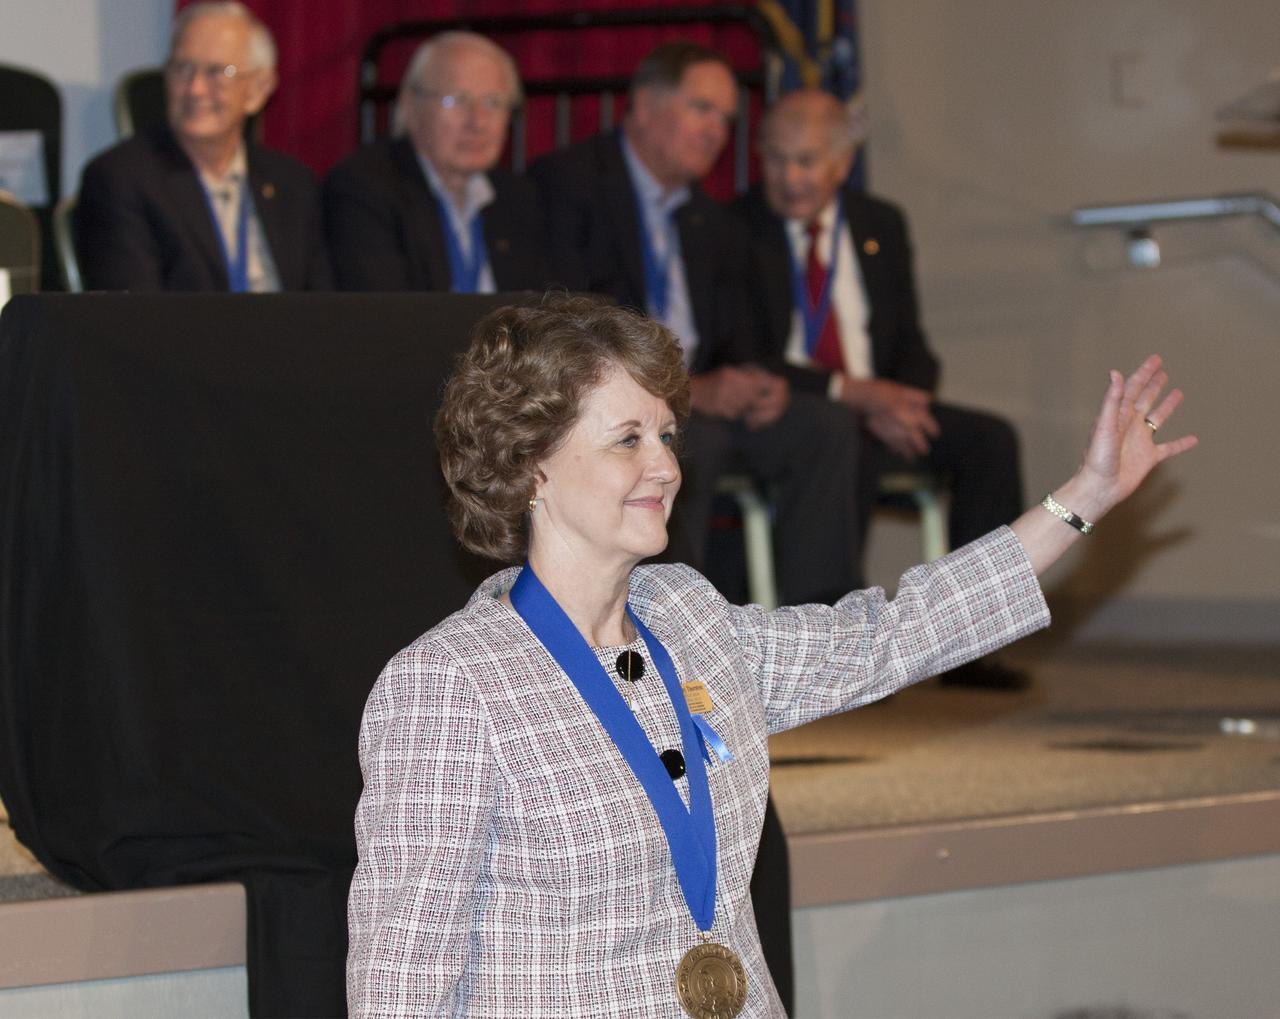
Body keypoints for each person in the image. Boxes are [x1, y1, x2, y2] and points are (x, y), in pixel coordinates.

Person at [345, 294, 1195, 1017]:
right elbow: (399, 986)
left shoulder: (690, 617)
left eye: (669, 434)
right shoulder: (450, 685)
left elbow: (891, 633)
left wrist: (1083, 497)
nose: (666, 467)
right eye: (627, 439)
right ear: (530, 464)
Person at [528, 43, 865, 609]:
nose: (716, 131)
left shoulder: (709, 218)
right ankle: (666, 629)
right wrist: (687, 392)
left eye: (726, 119)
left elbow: (737, 336)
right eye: (701, 109)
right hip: (615, 407)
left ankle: (820, 624)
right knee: (680, 446)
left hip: (700, 401)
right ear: (644, 104)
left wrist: (757, 383)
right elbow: (570, 326)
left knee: (823, 428)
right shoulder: (569, 185)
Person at [736, 89, 1029, 688]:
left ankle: (971, 643)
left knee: (992, 442)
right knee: (837, 435)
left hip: (880, 404)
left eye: (807, 161)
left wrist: (903, 402)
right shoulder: (736, 230)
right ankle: (839, 652)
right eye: (774, 159)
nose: (789, 177)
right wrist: (856, 397)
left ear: (842, 163)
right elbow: (745, 354)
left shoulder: (879, 224)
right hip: (804, 410)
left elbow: (913, 343)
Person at [76, 1, 331, 292]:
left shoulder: (293, 183)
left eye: (216, 72)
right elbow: (134, 321)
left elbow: (325, 308)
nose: (195, 88)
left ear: (258, 89)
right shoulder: (121, 179)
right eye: (182, 68)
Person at [323, 32, 548, 292]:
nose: (477, 121)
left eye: (492, 102)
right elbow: (382, 316)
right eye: (457, 100)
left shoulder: (517, 197)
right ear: (409, 106)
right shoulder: (366, 189)